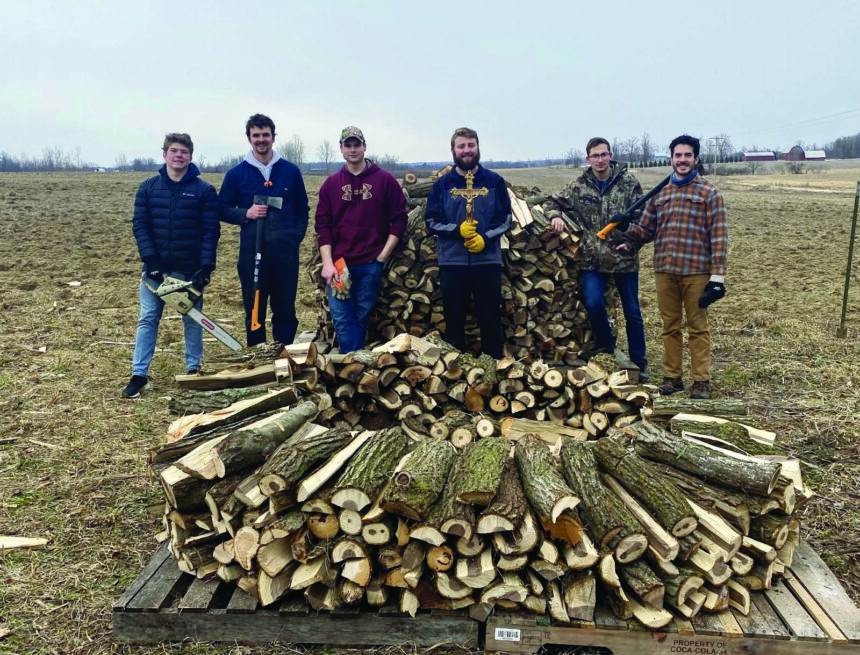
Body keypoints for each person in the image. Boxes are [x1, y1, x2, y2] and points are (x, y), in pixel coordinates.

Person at [618, 134, 727, 399]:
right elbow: (646, 230)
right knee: (670, 326)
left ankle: (701, 380)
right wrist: (625, 228)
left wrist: (718, 277)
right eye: (678, 155)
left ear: (696, 159)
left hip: (696, 272)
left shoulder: (709, 192)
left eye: (687, 155)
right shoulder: (661, 193)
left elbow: (719, 236)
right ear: (671, 159)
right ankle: (673, 377)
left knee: (698, 327)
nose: (682, 160)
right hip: (665, 271)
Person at [123, 133, 220, 398]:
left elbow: (210, 230)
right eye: (174, 151)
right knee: (148, 319)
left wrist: (206, 267)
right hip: (155, 272)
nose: (179, 156)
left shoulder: (204, 191)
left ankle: (193, 370)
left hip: (189, 271)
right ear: (165, 154)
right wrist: (151, 261)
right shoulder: (148, 188)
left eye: (184, 152)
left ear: (191, 156)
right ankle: (139, 374)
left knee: (192, 320)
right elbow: (140, 225)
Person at [544, 137, 648, 380]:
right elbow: (551, 201)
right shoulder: (579, 185)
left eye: (604, 154)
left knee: (632, 311)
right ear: (587, 158)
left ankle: (639, 362)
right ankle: (606, 344)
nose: (600, 160)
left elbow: (645, 219)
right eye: (595, 155)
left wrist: (632, 241)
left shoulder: (629, 184)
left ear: (610, 155)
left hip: (624, 258)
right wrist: (554, 216)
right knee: (592, 303)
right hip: (593, 259)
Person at [314, 126, 408, 353]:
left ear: (365, 147)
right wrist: (327, 263)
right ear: (341, 149)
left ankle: (352, 363)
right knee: (341, 315)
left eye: (357, 144)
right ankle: (354, 361)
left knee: (362, 313)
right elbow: (323, 225)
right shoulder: (331, 184)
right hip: (340, 265)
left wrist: (382, 256)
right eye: (348, 145)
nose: (353, 149)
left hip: (370, 263)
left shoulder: (384, 180)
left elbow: (399, 219)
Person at [219, 113, 310, 346]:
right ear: (249, 138)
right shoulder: (237, 174)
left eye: (265, 135)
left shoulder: (290, 171)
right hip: (252, 253)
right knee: (255, 309)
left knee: (285, 308)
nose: (261, 140)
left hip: (285, 254)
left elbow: (302, 208)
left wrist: (294, 237)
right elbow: (221, 208)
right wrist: (245, 214)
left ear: (273, 137)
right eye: (256, 135)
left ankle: (285, 355)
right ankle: (258, 357)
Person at [424, 127, 512, 359]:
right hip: (453, 262)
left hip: (487, 261)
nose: (466, 150)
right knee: (454, 321)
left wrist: (485, 237)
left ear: (478, 147)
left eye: (470, 145)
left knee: (490, 319)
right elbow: (431, 220)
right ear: (453, 150)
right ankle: (457, 369)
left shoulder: (494, 182)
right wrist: (456, 230)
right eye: (461, 146)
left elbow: (505, 218)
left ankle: (492, 366)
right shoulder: (442, 185)